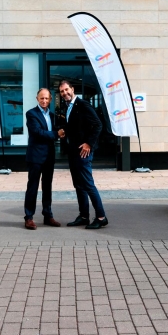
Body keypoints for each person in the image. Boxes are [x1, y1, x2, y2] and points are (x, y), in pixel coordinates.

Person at [57, 80, 109, 229]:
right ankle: (84, 216)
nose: (65, 93)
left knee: (88, 184)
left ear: (72, 89)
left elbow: (98, 125)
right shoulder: (67, 107)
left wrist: (89, 144)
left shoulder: (83, 104)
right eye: (62, 91)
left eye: (67, 90)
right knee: (78, 185)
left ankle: (101, 217)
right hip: (73, 152)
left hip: (83, 152)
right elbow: (75, 126)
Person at [23, 88, 61, 230]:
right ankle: (28, 217)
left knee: (47, 187)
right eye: (41, 98)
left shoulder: (52, 115)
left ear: (50, 99)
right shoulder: (31, 114)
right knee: (32, 187)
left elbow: (57, 130)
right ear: (37, 99)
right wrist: (57, 134)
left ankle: (47, 215)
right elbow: (37, 132)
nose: (44, 101)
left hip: (49, 157)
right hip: (36, 157)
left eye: (46, 98)